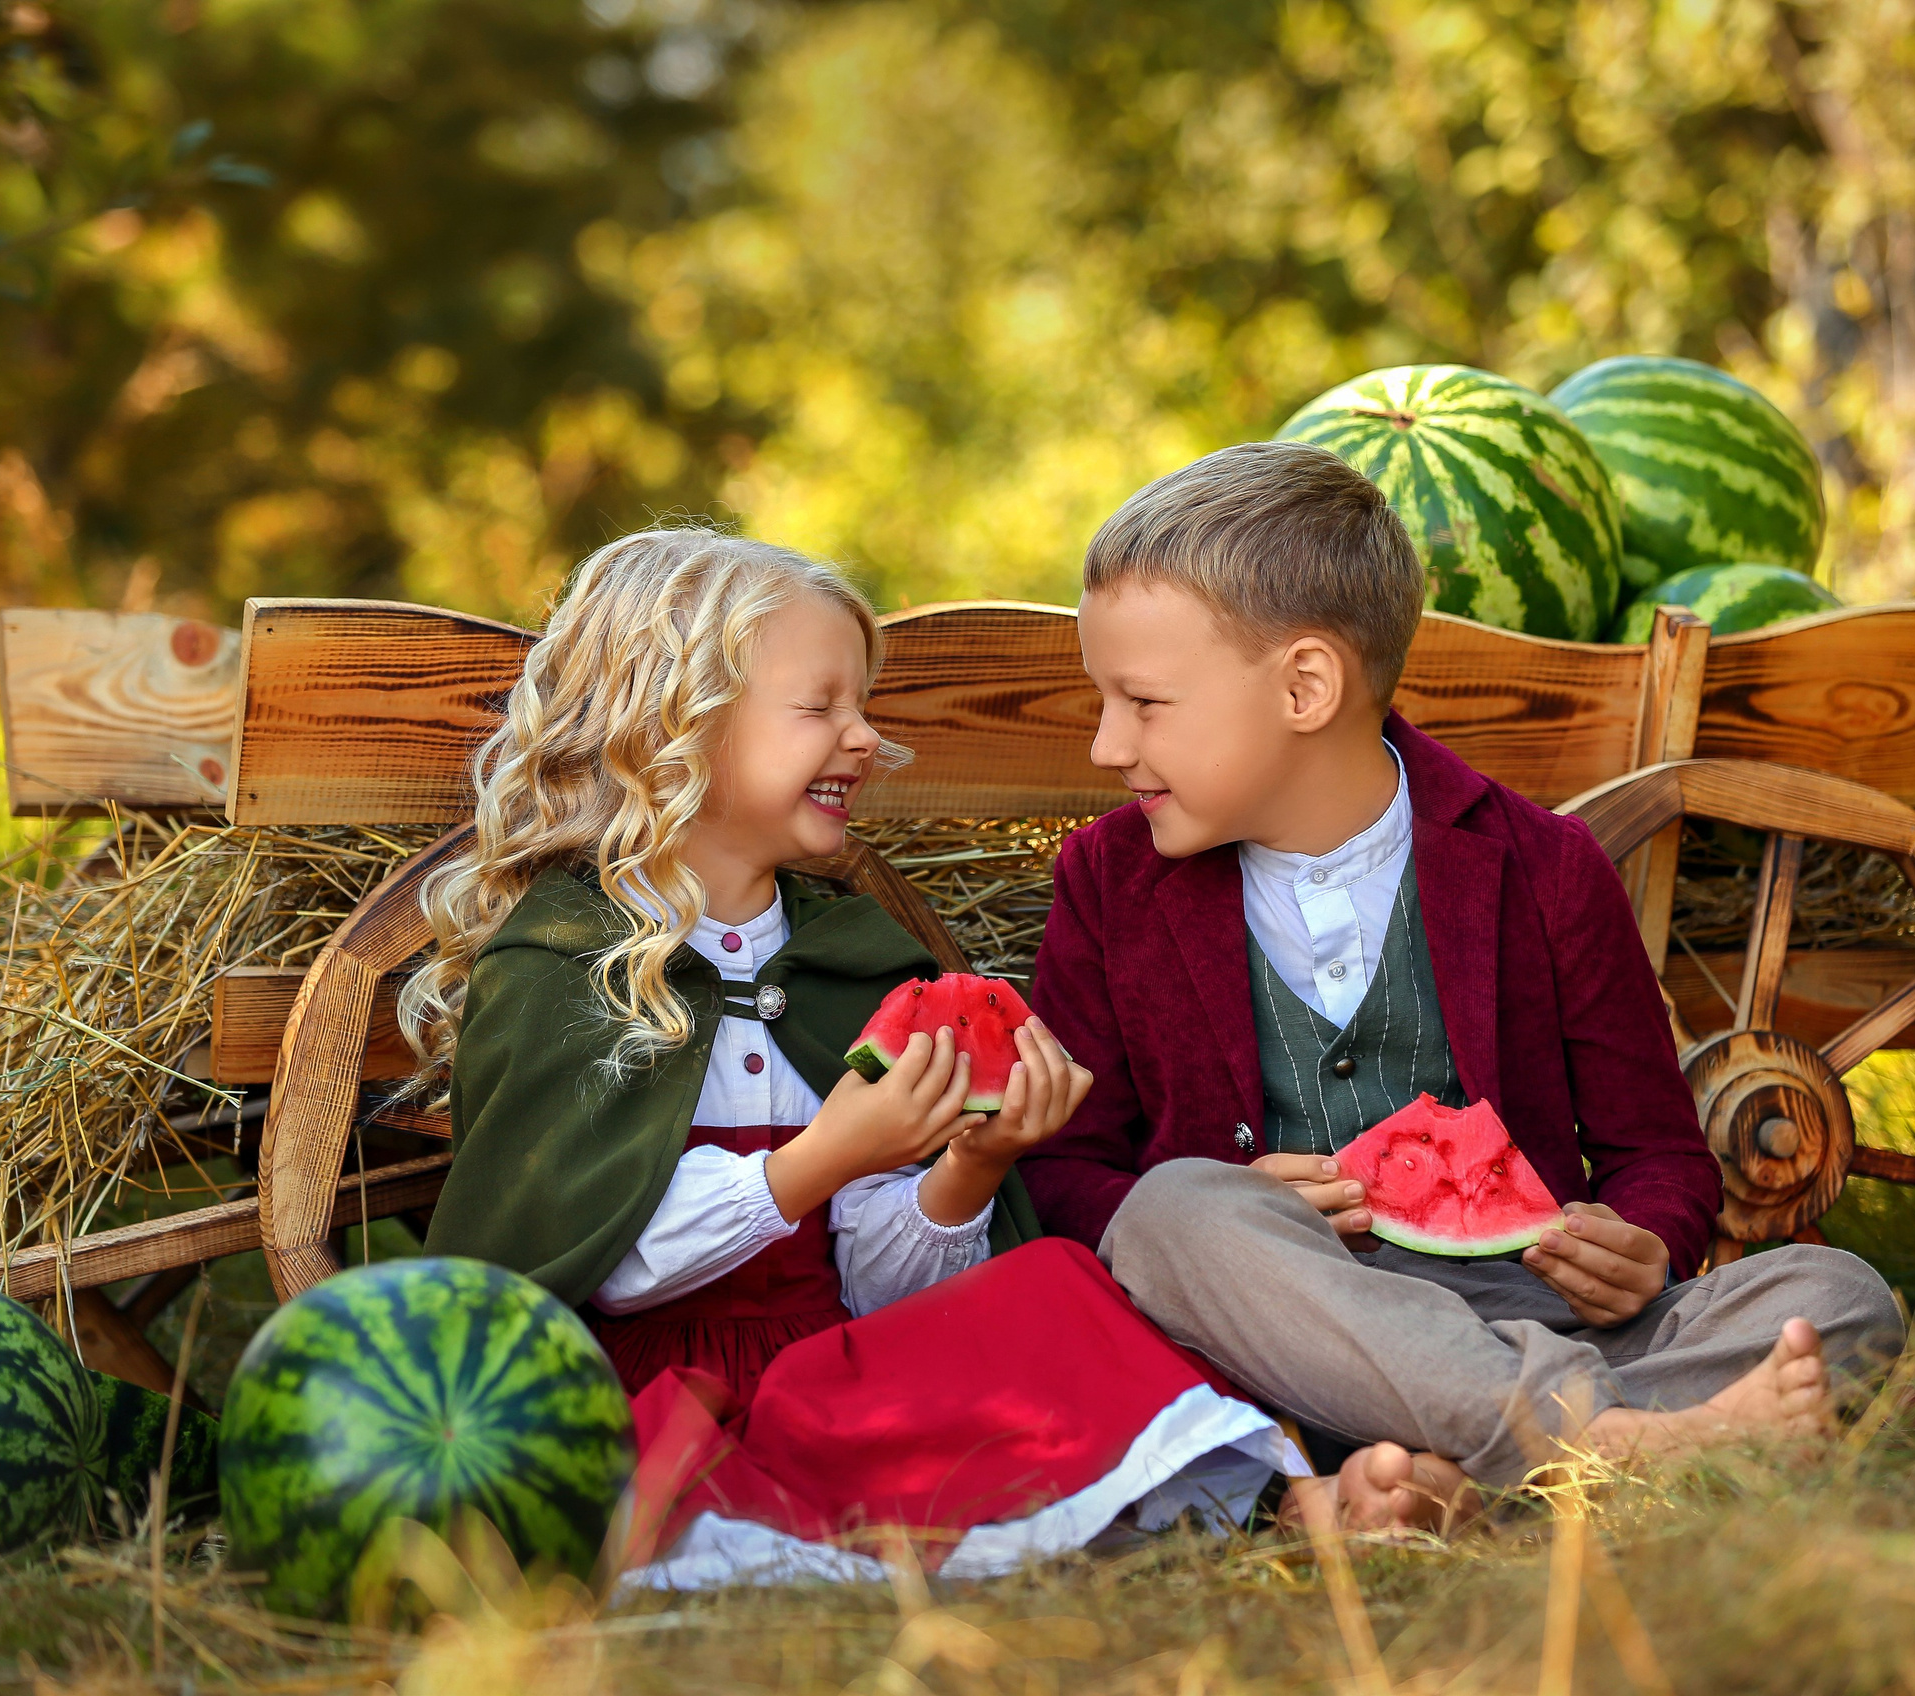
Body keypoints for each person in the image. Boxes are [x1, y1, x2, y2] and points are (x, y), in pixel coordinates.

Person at [1018, 441, 1905, 1532]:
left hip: (1527, 1313)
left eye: (1144, 703)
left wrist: (1642, 1246)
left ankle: (1415, 1477)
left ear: (1305, 686)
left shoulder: (1543, 868)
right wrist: (1248, 1209)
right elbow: (1065, 1173)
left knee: (1838, 1299)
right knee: (1172, 1211)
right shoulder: (1111, 880)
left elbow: (1657, 1156)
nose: (1110, 744)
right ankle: (1607, 1445)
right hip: (1266, 1328)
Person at [408, 526, 1287, 1586]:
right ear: (674, 726)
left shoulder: (849, 957)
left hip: (840, 1375)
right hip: (646, 1399)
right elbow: (603, 1257)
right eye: (820, 707)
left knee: (1052, 1278)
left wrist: (968, 1168)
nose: (864, 737)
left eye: (860, 707)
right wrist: (817, 1159)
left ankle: (1303, 1496)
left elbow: (882, 1292)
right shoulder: (565, 957)